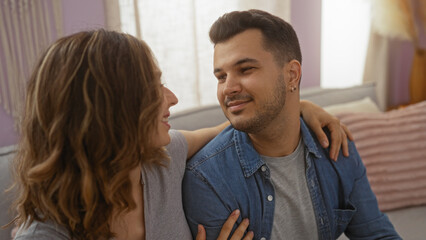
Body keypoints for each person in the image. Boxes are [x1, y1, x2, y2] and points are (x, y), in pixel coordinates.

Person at [10, 29, 349, 240]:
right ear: (109, 110)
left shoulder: (163, 159)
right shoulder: (45, 234)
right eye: (152, 87)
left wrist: (298, 105)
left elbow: (234, 124)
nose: (171, 98)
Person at [182, 9, 401, 240]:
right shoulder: (206, 179)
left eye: (245, 69)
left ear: (292, 75)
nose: (228, 88)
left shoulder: (335, 144)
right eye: (221, 77)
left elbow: (377, 234)